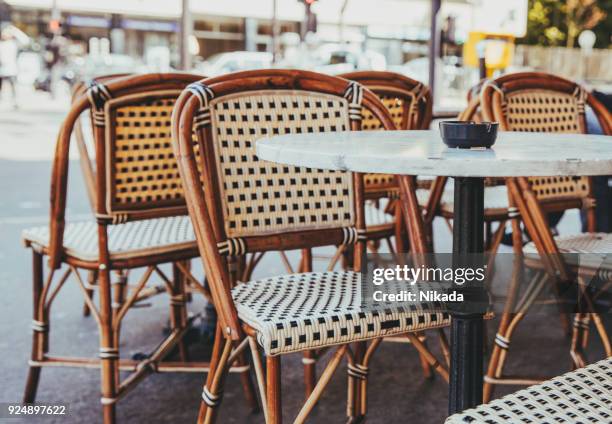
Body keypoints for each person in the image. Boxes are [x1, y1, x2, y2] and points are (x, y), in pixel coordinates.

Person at [0, 30, 18, 108]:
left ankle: (14, 100)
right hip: (2, 69)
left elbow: (25, 41)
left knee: (13, 85)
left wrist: (15, 30)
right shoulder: (1, 45)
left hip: (11, 69)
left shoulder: (13, 44)